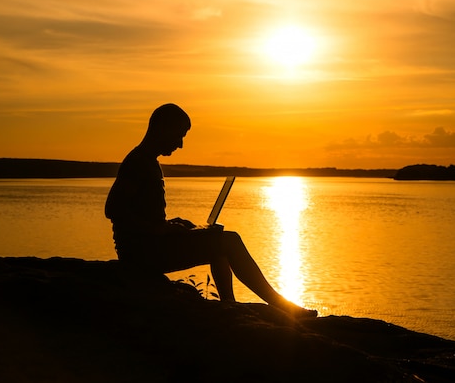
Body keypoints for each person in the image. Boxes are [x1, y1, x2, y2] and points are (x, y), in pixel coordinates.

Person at [105, 103, 316, 318]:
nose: (180, 144)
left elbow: (140, 214)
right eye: (179, 135)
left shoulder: (148, 162)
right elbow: (112, 209)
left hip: (149, 246)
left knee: (215, 240)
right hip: (140, 254)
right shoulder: (137, 162)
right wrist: (159, 230)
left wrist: (170, 226)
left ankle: (229, 305)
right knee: (229, 241)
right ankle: (281, 306)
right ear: (163, 128)